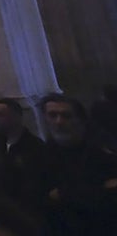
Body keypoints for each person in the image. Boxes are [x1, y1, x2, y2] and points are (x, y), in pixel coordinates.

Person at [38, 93, 117, 235]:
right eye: (52, 115)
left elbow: (108, 198)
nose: (58, 122)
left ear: (80, 119)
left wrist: (63, 193)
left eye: (66, 116)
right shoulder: (44, 152)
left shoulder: (102, 150)